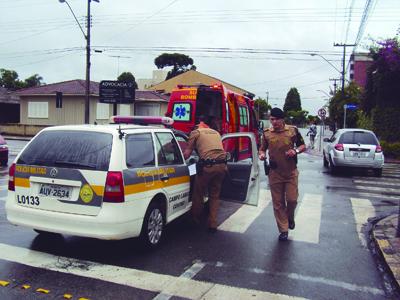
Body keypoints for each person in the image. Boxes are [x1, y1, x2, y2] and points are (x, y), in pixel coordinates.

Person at [258, 108, 306, 241]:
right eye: (271, 119)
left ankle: (290, 217)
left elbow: (303, 146)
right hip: (275, 173)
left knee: (292, 200)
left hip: (291, 172)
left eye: (275, 119)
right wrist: (261, 154)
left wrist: (295, 151)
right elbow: (262, 149)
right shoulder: (267, 133)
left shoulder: (292, 131)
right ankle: (283, 229)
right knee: (278, 203)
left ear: (282, 119)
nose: (273, 122)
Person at [183, 116, 227, 233]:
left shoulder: (196, 132)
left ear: (200, 123)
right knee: (214, 195)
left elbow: (187, 154)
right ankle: (213, 223)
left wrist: (177, 157)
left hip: (207, 167)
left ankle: (194, 218)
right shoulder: (216, 133)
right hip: (222, 166)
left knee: (198, 193)